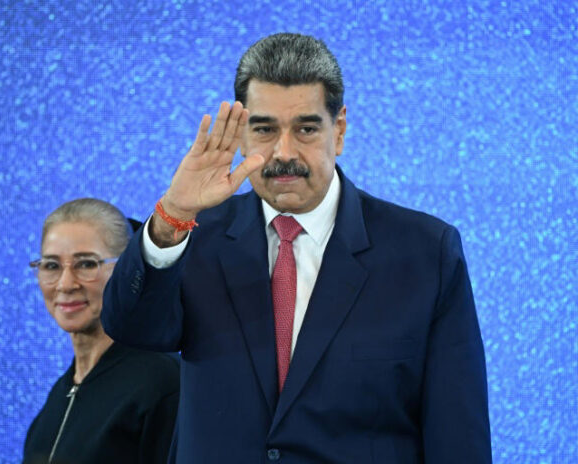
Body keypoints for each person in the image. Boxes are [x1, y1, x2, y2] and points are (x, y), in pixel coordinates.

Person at [102, 33, 491, 463]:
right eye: (264, 129)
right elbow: (132, 328)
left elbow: (458, 434)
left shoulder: (425, 252)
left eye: (306, 129)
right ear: (242, 135)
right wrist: (173, 213)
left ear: (338, 130)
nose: (283, 152)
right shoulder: (194, 234)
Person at [23, 198, 179, 464]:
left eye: (86, 264)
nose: (65, 284)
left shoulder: (163, 383)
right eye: (51, 265)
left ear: (127, 269)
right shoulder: (60, 393)